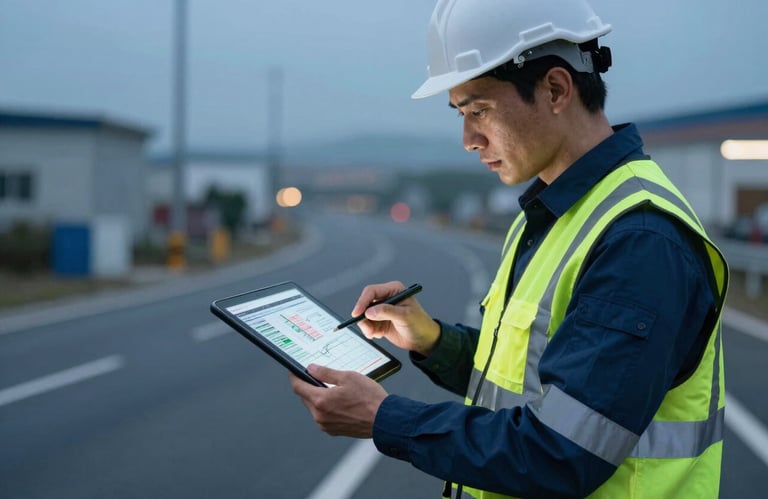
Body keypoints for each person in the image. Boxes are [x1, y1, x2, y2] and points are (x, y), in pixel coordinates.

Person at [290, 0, 729, 497]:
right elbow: (535, 381)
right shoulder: (552, 215)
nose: (467, 139)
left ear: (556, 89)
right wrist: (431, 339)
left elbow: (560, 452)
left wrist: (384, 417)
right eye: (460, 113)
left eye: (479, 110)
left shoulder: (640, 240)